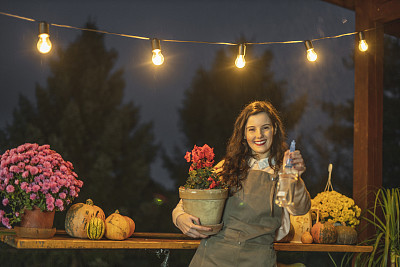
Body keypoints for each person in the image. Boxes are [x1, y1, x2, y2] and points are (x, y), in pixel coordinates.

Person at [172, 100, 311, 267]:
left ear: (274, 128)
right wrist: (179, 217)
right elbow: (187, 203)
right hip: (212, 258)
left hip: (258, 260)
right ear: (244, 134)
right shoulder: (227, 167)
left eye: (265, 128)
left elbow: (300, 209)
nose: (259, 135)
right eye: (251, 129)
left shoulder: (284, 170)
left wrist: (294, 178)